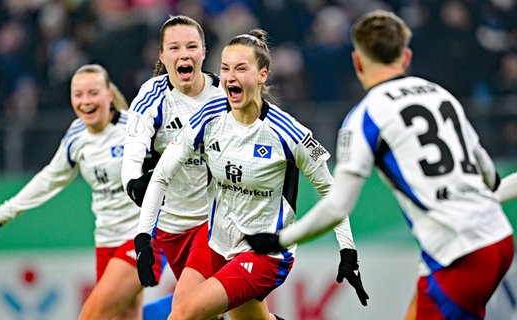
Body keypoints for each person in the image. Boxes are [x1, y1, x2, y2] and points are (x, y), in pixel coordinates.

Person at [244, 10, 514, 320]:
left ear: (357, 61)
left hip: (459, 252)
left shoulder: (366, 116)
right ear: (406, 56)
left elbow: (336, 207)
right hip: (498, 239)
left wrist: (279, 239)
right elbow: (489, 175)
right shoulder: (440, 95)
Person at [133, 28, 368, 320]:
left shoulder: (290, 133)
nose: (230, 76)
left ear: (262, 75)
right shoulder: (208, 118)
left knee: (183, 315)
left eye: (241, 68)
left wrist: (348, 252)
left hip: (264, 254)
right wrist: (143, 234)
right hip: (216, 243)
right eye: (225, 68)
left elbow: (333, 193)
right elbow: (162, 174)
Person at [0, 64, 169, 320]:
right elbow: (49, 179)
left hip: (144, 237)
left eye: (93, 93)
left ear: (108, 95)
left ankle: (193, 300)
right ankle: (192, 304)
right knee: (125, 317)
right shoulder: (76, 137)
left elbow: (177, 159)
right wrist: (0, 216)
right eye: (78, 95)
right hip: (106, 240)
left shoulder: (136, 128)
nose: (85, 101)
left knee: (91, 315)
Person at [121, 14, 230, 317]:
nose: (184, 54)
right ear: (162, 56)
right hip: (171, 228)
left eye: (191, 46)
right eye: (174, 48)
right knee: (213, 314)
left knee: (182, 311)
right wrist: (133, 183)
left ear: (204, 52)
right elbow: (132, 150)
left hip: (216, 221)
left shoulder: (224, 96)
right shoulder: (152, 96)